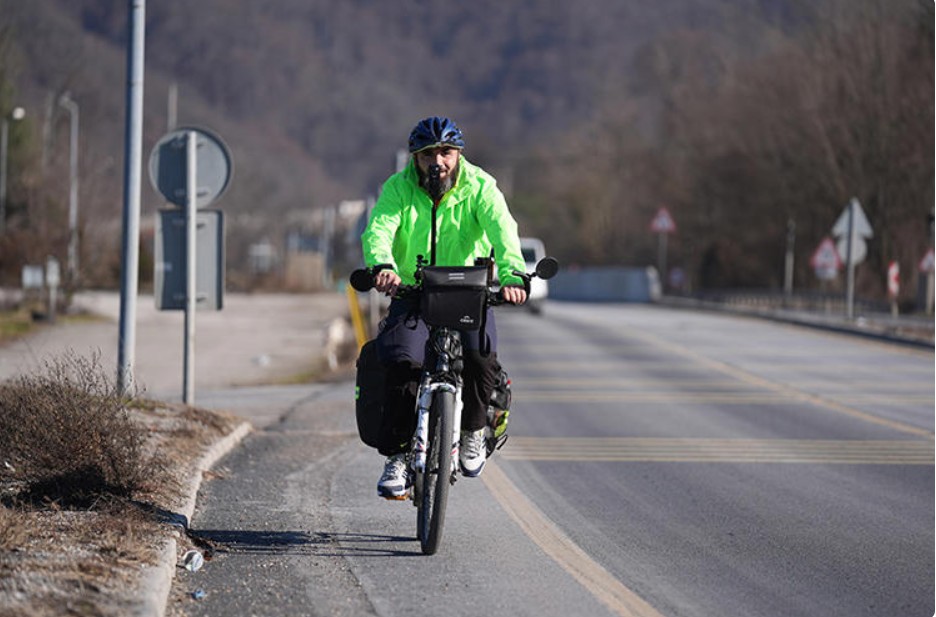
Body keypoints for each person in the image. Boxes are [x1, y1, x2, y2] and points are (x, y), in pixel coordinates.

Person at [361, 116, 528, 499]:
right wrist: (383, 266)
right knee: (399, 359)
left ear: (458, 154)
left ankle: (471, 433)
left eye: (447, 152)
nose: (439, 161)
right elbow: (380, 229)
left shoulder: (481, 187)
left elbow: (503, 230)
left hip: (468, 291)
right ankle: (400, 456)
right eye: (429, 154)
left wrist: (514, 274)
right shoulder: (398, 188)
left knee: (481, 356)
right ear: (415, 159)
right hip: (413, 292)